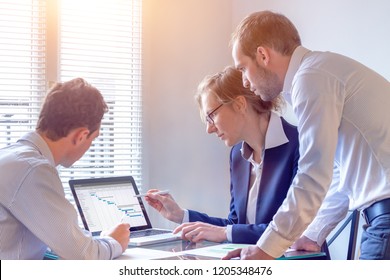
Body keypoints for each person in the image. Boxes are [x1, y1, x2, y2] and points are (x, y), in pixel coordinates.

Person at [224, 10, 390, 260]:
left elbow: (313, 174)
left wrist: (267, 248)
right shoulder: (322, 71)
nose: (245, 82)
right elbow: (337, 174)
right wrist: (313, 235)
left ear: (262, 55)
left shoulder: (311, 78)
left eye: (243, 69)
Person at [145, 66, 332, 252]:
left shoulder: (301, 144)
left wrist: (226, 233)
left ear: (240, 104)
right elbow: (236, 225)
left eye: (212, 115)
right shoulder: (238, 155)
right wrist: (181, 216)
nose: (209, 129)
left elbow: (293, 230)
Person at [0, 78, 130, 259]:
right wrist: (113, 241)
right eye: (93, 139)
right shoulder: (33, 170)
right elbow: (84, 255)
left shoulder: (11, 157)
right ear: (81, 136)